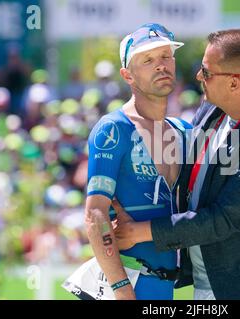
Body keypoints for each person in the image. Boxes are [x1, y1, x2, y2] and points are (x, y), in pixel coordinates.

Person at [114, 29, 240, 299]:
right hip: (206, 283)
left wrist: (138, 232)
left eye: (206, 72)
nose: (199, 77)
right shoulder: (213, 106)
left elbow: (222, 218)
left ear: (235, 83)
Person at [64, 23, 190, 300]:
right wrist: (121, 290)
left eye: (166, 57)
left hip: (168, 287)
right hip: (128, 285)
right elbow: (95, 213)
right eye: (147, 60)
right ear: (127, 75)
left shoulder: (185, 131)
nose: (161, 66)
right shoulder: (113, 128)